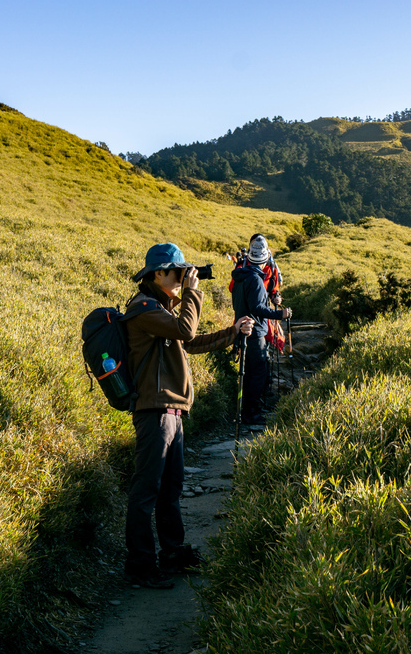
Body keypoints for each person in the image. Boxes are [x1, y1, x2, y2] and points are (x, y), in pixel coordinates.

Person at [124, 242, 254, 589]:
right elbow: (186, 331)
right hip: (155, 410)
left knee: (171, 488)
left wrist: (233, 331)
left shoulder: (163, 309)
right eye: (177, 271)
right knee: (146, 489)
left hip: (173, 410)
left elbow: (191, 343)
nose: (183, 278)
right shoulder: (142, 308)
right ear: (157, 274)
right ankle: (139, 565)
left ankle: (172, 552)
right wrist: (193, 293)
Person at [230, 237, 292, 427]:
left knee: (249, 373)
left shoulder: (240, 276)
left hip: (245, 329)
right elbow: (257, 307)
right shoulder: (256, 280)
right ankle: (252, 414)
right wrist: (280, 314)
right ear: (264, 261)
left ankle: (249, 411)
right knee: (257, 372)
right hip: (255, 333)